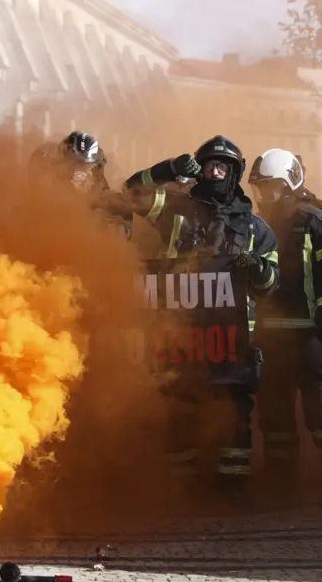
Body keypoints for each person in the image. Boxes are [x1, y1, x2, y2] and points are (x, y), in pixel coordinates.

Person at [125, 135, 279, 485]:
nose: (215, 171)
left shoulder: (256, 229)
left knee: (235, 414)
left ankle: (233, 485)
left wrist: (255, 267)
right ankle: (185, 487)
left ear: (235, 173)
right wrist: (168, 169)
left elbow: (270, 286)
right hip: (181, 335)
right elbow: (132, 192)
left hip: (233, 340)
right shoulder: (176, 209)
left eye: (223, 166)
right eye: (209, 165)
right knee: (180, 411)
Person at [248, 149, 322, 475]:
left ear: (290, 184)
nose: (265, 195)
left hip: (310, 337)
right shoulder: (257, 227)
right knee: (274, 410)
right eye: (261, 189)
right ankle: (281, 478)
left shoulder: (313, 221)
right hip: (270, 337)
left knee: (319, 407)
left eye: (271, 187)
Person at [32, 131, 131, 240]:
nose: (87, 175)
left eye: (90, 168)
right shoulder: (44, 203)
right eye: (73, 167)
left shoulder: (115, 205)